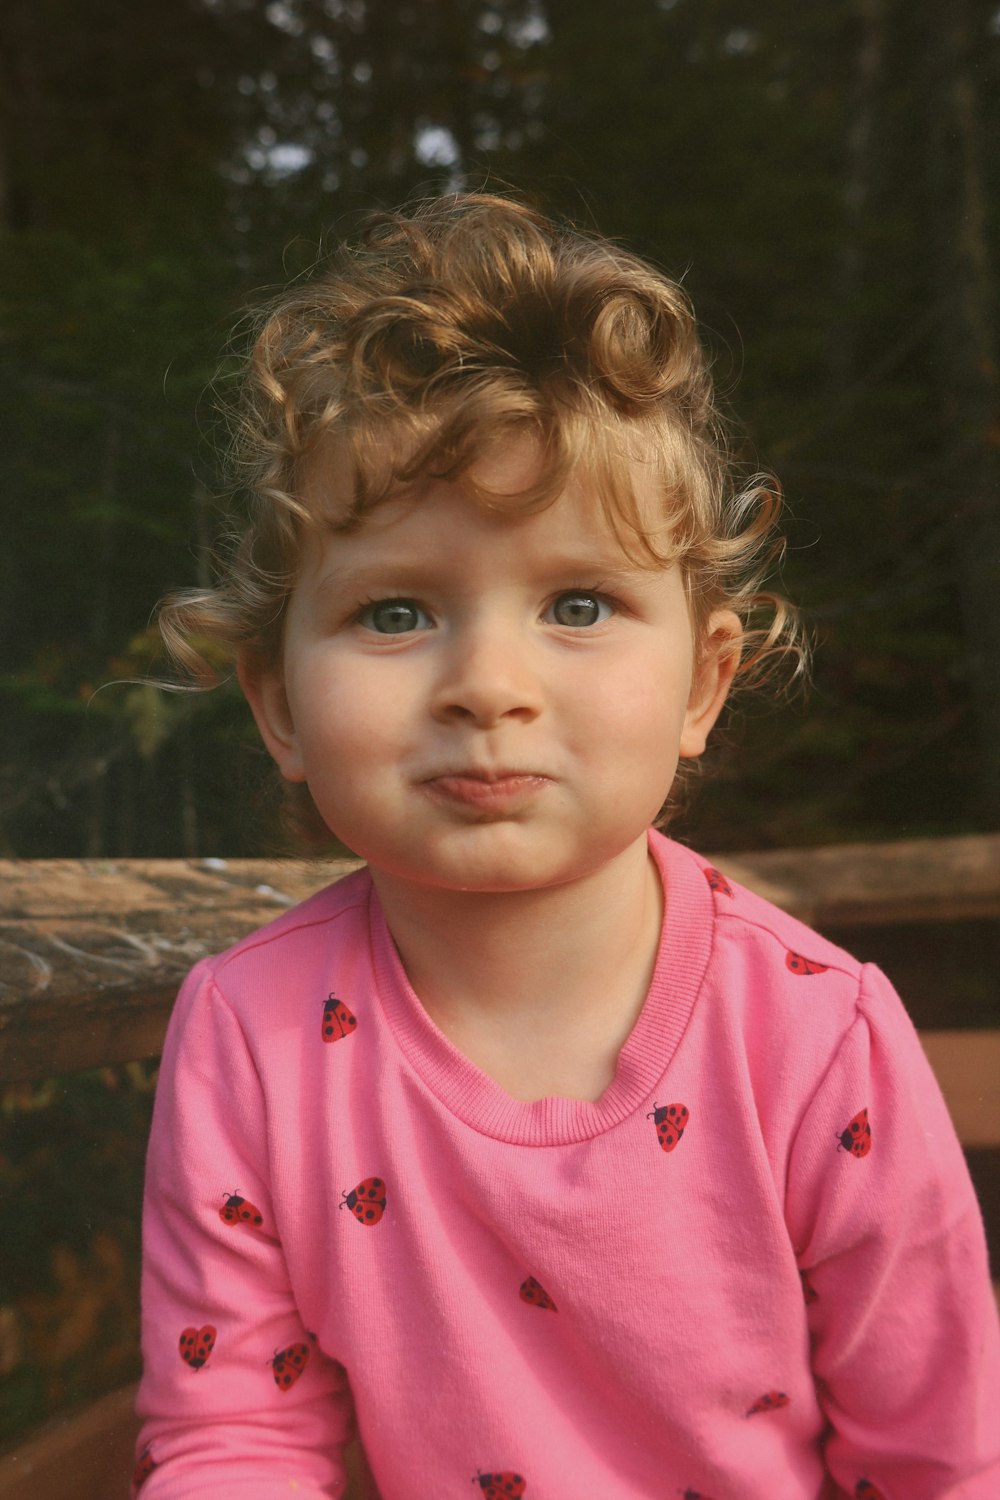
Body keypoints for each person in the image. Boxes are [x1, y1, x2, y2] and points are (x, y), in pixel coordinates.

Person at [133, 193, 999, 1499]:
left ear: (704, 684)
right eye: (396, 611)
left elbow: (937, 1457)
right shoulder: (247, 1033)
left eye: (578, 602)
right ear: (276, 704)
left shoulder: (820, 1039)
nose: (488, 683)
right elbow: (233, 1438)